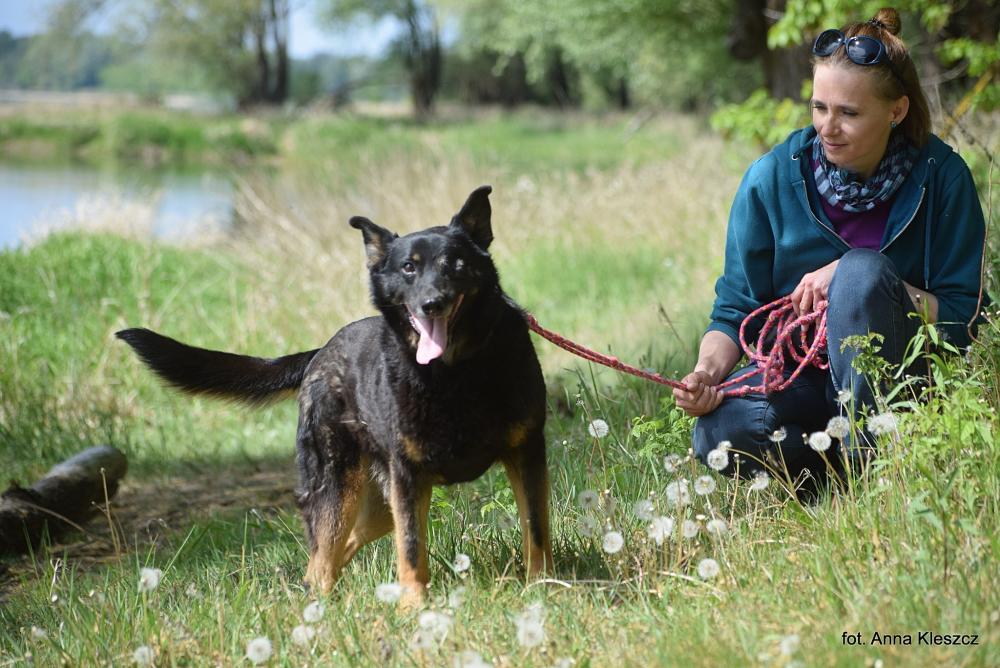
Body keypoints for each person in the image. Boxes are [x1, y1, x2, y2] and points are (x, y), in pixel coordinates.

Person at [673, 7, 989, 492]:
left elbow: (964, 321)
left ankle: (873, 463)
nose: (827, 126)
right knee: (718, 431)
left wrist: (853, 277)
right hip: (799, 380)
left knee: (860, 273)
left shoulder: (943, 178)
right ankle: (837, 477)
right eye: (819, 107)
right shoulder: (770, 178)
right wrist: (705, 373)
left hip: (904, 385)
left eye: (848, 113)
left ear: (896, 110)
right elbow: (735, 311)